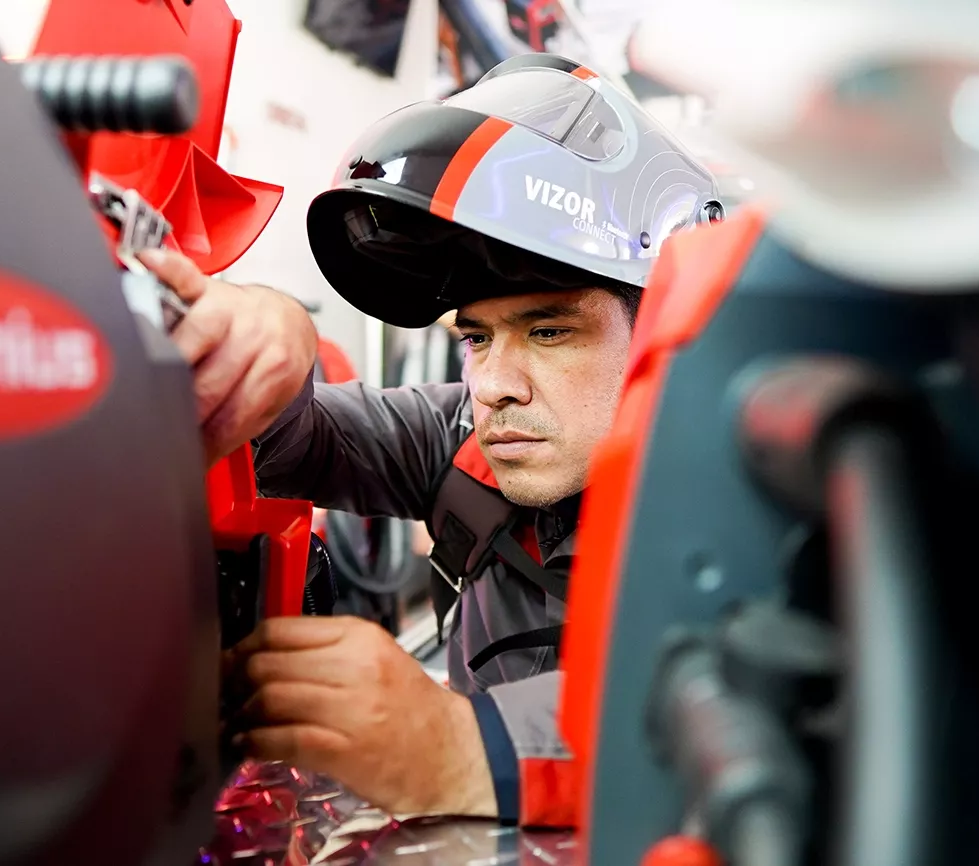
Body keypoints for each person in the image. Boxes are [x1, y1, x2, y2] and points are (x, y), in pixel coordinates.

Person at [141, 53, 725, 826]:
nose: (494, 385)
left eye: (549, 331)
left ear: (661, 330)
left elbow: (795, 713)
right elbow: (295, 437)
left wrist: (466, 746)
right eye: (478, 339)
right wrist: (262, 335)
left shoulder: (752, 495)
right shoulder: (464, 437)